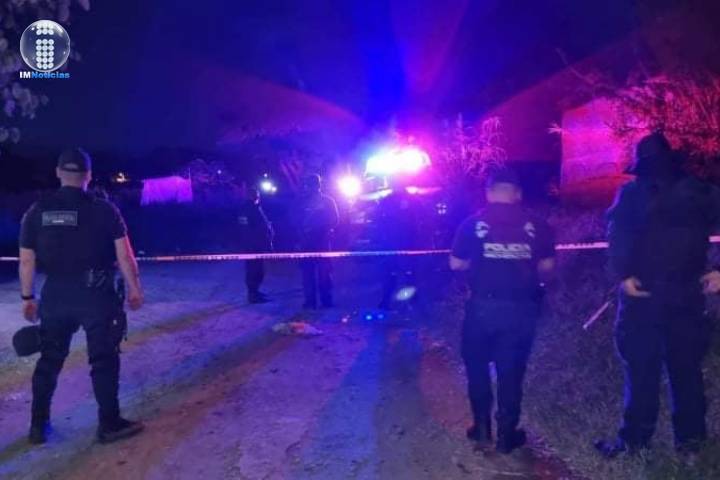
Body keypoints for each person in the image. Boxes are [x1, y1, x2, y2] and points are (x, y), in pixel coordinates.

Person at [596, 132, 720, 458]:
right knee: (685, 371)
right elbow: (618, 236)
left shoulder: (631, 193)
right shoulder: (702, 191)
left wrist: (623, 275)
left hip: (644, 297)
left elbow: (617, 236)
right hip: (684, 295)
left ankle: (635, 444)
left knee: (642, 371)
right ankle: (691, 447)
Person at [19, 148, 145, 445]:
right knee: (103, 359)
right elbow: (125, 256)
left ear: (58, 173)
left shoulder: (37, 211)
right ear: (88, 175)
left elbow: (26, 261)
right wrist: (135, 289)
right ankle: (109, 424)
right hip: (96, 296)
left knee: (49, 360)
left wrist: (27, 298)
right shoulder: (105, 210)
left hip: (56, 295)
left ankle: (38, 426)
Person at [449, 168, 555, 454]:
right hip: (521, 310)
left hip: (481, 308)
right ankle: (507, 436)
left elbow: (456, 264)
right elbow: (547, 267)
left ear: (489, 193)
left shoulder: (473, 224)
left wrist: (479, 262)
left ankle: (482, 428)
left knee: (477, 367)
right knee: (511, 371)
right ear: (517, 194)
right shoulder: (538, 224)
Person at [298, 174, 339, 309]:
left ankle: (326, 301)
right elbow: (296, 221)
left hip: (322, 243)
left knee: (324, 274)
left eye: (312, 184)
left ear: (318, 185)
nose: (309, 187)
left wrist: (321, 229)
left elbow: (335, 220)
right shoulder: (302, 202)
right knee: (308, 274)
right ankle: (310, 302)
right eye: (308, 185)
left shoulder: (327, 201)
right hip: (306, 244)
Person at [238, 187, 273, 304]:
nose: (258, 197)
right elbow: (247, 229)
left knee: (258, 270)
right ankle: (252, 295)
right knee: (253, 270)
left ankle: (255, 292)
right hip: (252, 246)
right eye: (257, 195)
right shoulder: (248, 209)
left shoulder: (255, 208)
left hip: (256, 245)